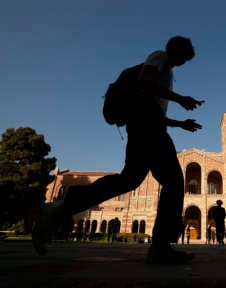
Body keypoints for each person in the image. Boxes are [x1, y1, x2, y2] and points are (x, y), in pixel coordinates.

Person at [32, 36, 205, 264]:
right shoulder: (159, 58)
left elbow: (155, 110)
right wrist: (180, 99)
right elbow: (144, 82)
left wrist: (180, 124)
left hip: (145, 126)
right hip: (147, 127)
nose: (184, 62)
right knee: (173, 180)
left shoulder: (165, 72)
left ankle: (59, 209)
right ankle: (161, 247)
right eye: (185, 57)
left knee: (128, 181)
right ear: (179, 52)